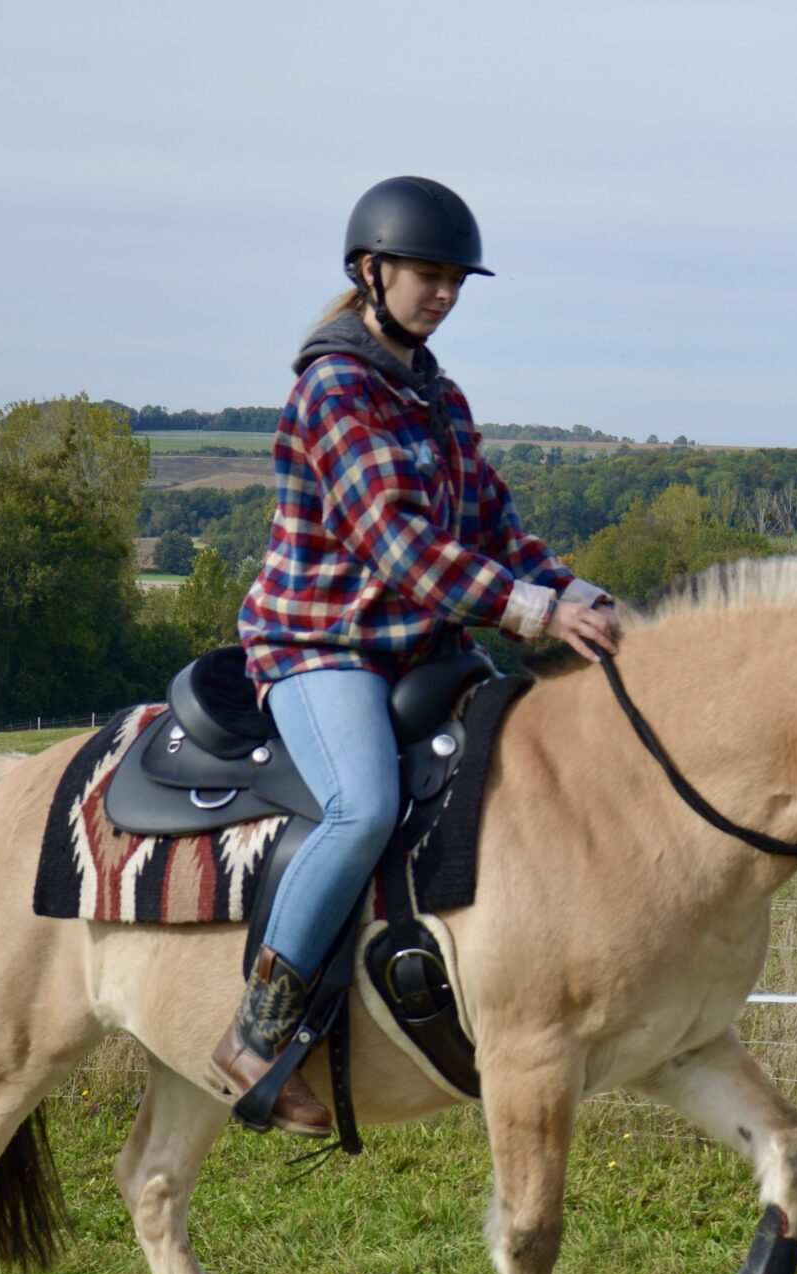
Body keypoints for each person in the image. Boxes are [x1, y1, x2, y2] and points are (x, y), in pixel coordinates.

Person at [212, 176, 619, 1133]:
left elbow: (492, 523)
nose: (442, 294)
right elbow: (392, 542)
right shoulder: (334, 388)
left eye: (454, 281)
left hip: (421, 644)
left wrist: (575, 592)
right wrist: (530, 613)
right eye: (426, 276)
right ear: (370, 270)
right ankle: (256, 1031)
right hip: (322, 644)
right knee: (363, 806)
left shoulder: (437, 394)